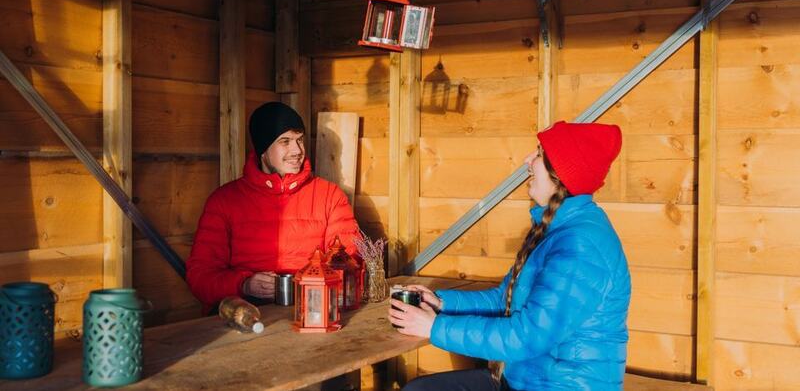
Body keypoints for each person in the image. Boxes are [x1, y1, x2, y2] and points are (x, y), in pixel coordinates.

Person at [389, 121, 631, 391]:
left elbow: (527, 337)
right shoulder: (558, 230)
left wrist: (434, 327)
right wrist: (442, 303)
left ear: (560, 173)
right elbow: (503, 299)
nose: (528, 159)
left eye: (539, 153)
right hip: (524, 381)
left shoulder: (581, 246)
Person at [187, 102, 361, 314]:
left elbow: (349, 266)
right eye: (285, 141)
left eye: (299, 140)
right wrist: (245, 284)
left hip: (312, 311)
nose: (297, 150)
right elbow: (200, 278)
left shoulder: (329, 196)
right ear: (263, 150)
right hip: (244, 314)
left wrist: (310, 287)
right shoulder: (224, 200)